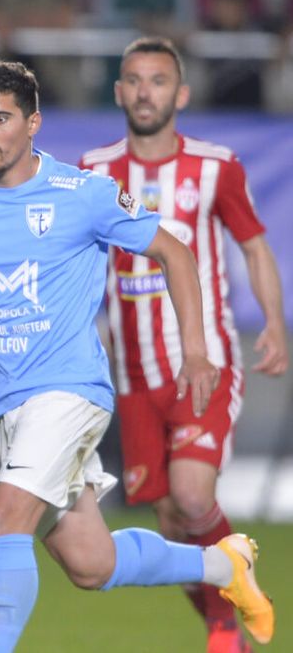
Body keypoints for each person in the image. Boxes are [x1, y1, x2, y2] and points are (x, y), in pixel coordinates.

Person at [0, 59, 275, 652]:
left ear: (33, 122)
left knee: (3, 519)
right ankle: (225, 565)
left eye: (1, 118)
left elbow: (174, 252)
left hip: (70, 392)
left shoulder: (82, 194)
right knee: (92, 562)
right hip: (5, 405)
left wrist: (195, 351)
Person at [79, 36, 287, 653]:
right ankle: (225, 624)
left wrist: (274, 323)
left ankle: (225, 620)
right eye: (135, 81)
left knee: (194, 497)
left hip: (203, 362)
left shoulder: (216, 166)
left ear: (182, 94)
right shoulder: (94, 171)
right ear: (118, 92)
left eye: (159, 81)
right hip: (132, 374)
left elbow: (254, 245)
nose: (146, 92)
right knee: (171, 521)